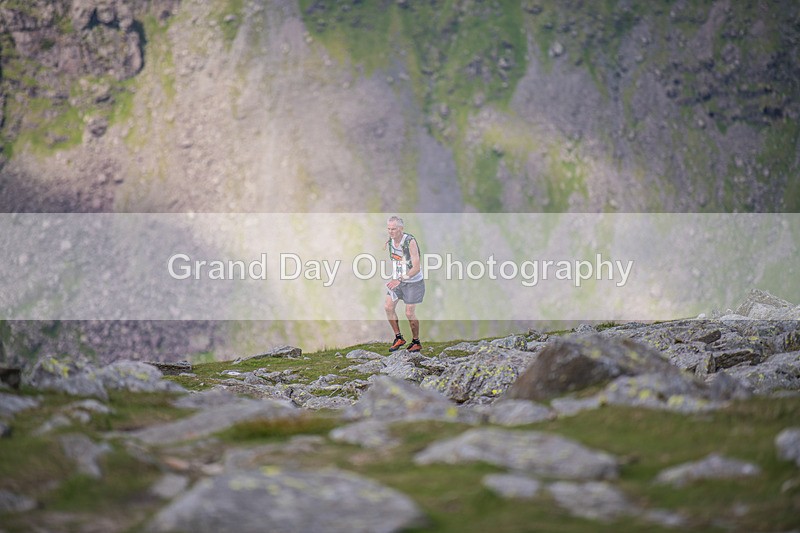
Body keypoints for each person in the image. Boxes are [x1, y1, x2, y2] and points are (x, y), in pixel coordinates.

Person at [384, 216, 425, 352]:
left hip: (413, 282)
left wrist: (400, 279)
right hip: (398, 280)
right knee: (388, 307)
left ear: (401, 229)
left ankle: (416, 341)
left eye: (394, 229)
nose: (391, 232)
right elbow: (395, 254)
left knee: (409, 313)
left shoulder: (410, 242)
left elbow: (416, 267)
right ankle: (399, 338)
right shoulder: (391, 240)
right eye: (389, 229)